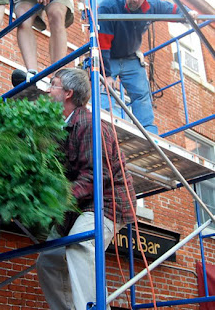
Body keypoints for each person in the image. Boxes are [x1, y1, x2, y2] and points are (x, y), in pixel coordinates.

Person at [36, 68, 137, 310]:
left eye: (53, 84)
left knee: (80, 246)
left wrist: (57, 200)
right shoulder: (60, 128)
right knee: (48, 261)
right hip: (78, 206)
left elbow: (95, 177)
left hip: (107, 202)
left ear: (68, 93)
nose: (48, 90)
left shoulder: (90, 125)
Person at [98, 0, 198, 134]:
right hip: (109, 57)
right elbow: (102, 44)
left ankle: (149, 133)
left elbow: (172, 9)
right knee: (103, 86)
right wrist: (107, 74)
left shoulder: (150, 5)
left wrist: (187, 13)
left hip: (131, 57)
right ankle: (100, 123)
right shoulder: (109, 6)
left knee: (142, 95)